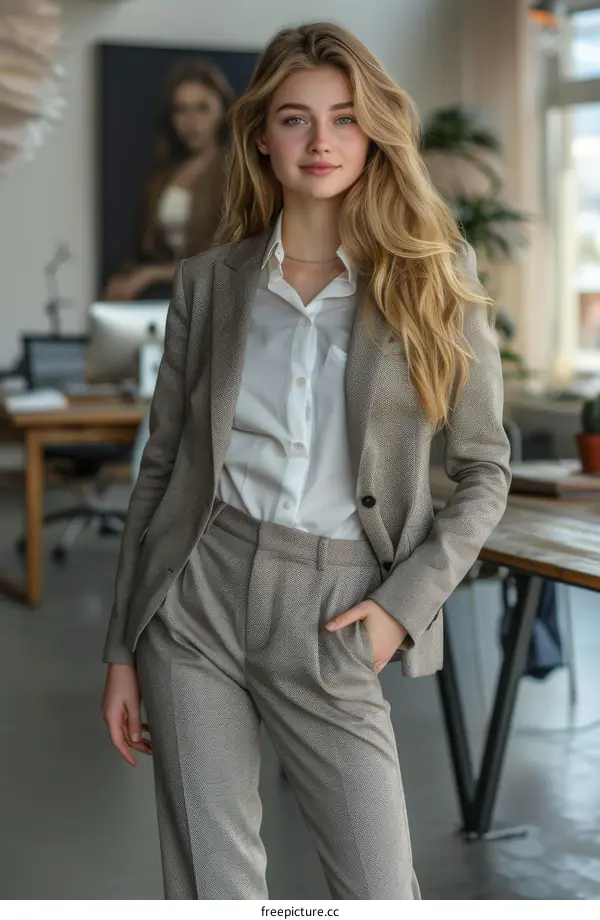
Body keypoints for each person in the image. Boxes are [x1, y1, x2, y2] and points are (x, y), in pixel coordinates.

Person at [100, 21, 511, 900]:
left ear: (374, 134)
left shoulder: (434, 278)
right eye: (296, 119)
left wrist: (401, 610)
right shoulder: (210, 282)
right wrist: (123, 648)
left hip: (339, 606)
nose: (321, 141)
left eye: (345, 119)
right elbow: (163, 466)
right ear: (261, 136)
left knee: (378, 893)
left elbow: (486, 472)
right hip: (196, 599)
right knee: (215, 888)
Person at [103, 58, 235, 302]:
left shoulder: (235, 173)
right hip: (170, 298)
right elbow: (145, 247)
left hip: (218, 299)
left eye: (202, 108)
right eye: (181, 110)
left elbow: (228, 259)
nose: (191, 121)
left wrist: (151, 274)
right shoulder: (163, 175)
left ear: (222, 109)